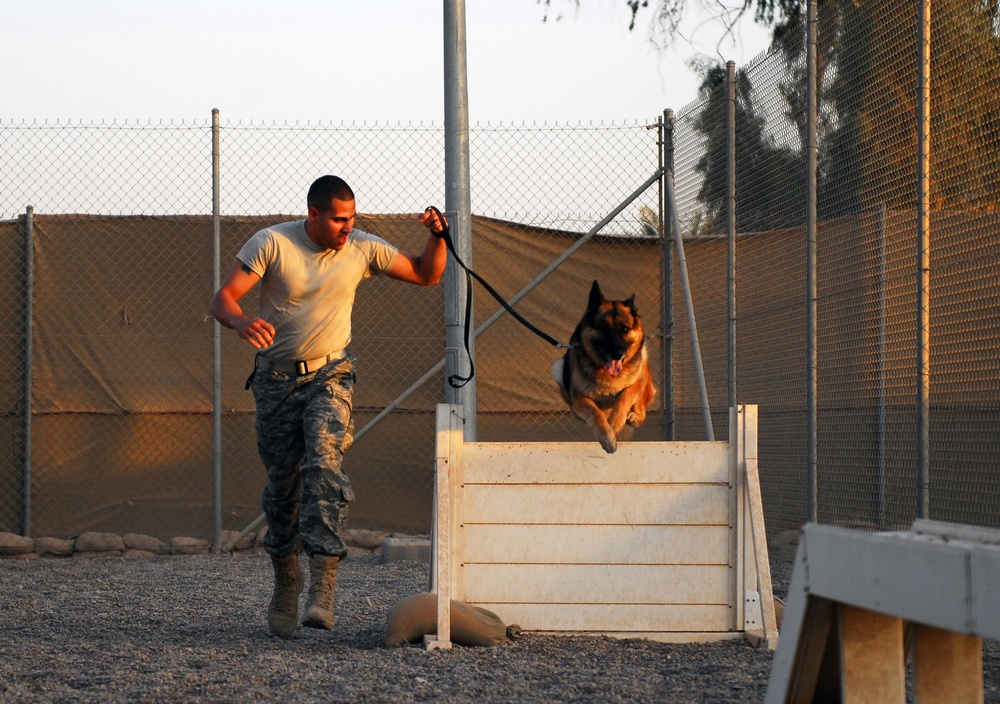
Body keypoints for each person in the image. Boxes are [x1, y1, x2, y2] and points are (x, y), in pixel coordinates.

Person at [211, 175, 448, 637]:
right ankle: (287, 579)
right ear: (313, 214)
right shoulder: (272, 243)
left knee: (324, 459)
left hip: (331, 374)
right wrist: (240, 321)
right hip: (275, 381)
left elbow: (426, 273)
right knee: (283, 489)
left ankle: (323, 581)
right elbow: (223, 298)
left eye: (352, 218)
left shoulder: (361, 247)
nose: (348, 227)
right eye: (339, 219)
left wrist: (437, 237)